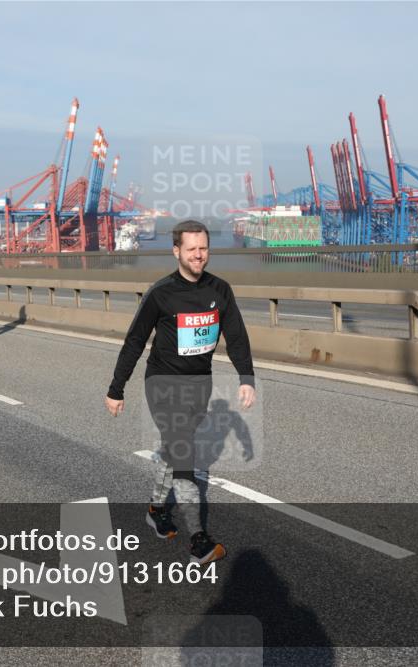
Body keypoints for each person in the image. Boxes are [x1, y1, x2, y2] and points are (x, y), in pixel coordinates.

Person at [105, 220, 256, 566]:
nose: (198, 255)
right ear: (176, 252)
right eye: (191, 249)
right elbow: (134, 342)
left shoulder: (220, 290)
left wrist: (246, 377)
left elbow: (236, 335)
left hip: (199, 384)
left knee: (173, 450)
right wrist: (116, 389)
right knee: (184, 454)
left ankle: (157, 509)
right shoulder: (161, 294)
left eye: (203, 248)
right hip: (163, 384)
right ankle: (199, 542)